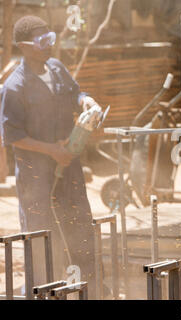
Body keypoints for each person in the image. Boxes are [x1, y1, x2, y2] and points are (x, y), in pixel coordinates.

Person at [0, 15, 100, 298]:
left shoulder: (56, 68)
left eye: (51, 39)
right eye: (42, 42)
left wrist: (86, 102)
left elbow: (75, 93)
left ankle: (87, 289)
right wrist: (53, 150)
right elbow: (13, 136)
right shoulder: (15, 87)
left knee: (79, 225)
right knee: (42, 237)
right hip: (37, 178)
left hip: (69, 168)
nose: (49, 46)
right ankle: (41, 292)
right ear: (24, 46)